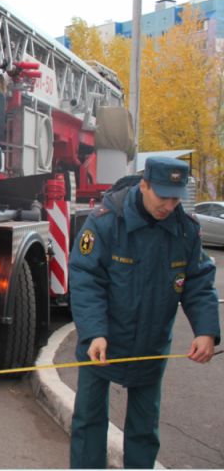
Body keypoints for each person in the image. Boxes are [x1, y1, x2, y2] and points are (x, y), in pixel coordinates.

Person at [68, 156, 220, 468]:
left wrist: (206, 331)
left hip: (151, 343)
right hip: (101, 340)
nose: (169, 205)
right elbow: (86, 279)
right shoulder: (105, 221)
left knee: (144, 427)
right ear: (144, 185)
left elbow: (198, 283)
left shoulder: (186, 230)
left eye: (176, 197)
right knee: (89, 421)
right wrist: (94, 332)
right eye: (162, 196)